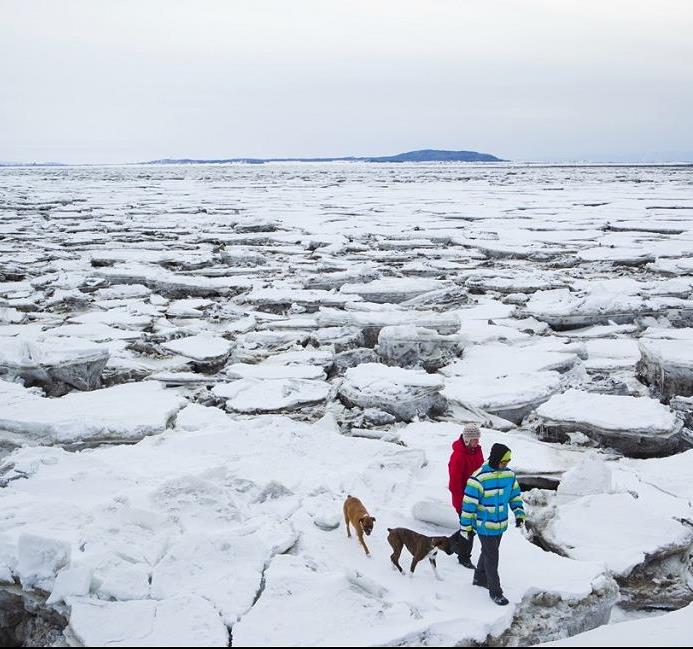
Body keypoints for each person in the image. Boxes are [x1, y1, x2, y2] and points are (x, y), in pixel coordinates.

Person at [460, 442, 525, 606]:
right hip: (484, 525)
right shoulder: (479, 478)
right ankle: (496, 592)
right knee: (492, 556)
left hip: (500, 523)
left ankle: (479, 578)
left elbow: (514, 496)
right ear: (496, 459)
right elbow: (468, 506)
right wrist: (465, 527)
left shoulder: (509, 476)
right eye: (504, 461)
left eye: (508, 462)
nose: (506, 465)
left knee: (489, 552)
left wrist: (519, 514)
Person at [447, 423, 484, 569]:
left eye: (478, 439)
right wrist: (462, 504)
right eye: (475, 439)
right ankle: (464, 558)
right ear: (467, 440)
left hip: (476, 497)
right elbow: (454, 484)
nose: (477, 442)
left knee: (471, 527)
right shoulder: (458, 456)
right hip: (464, 500)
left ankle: (449, 543)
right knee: (468, 529)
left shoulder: (477, 451)